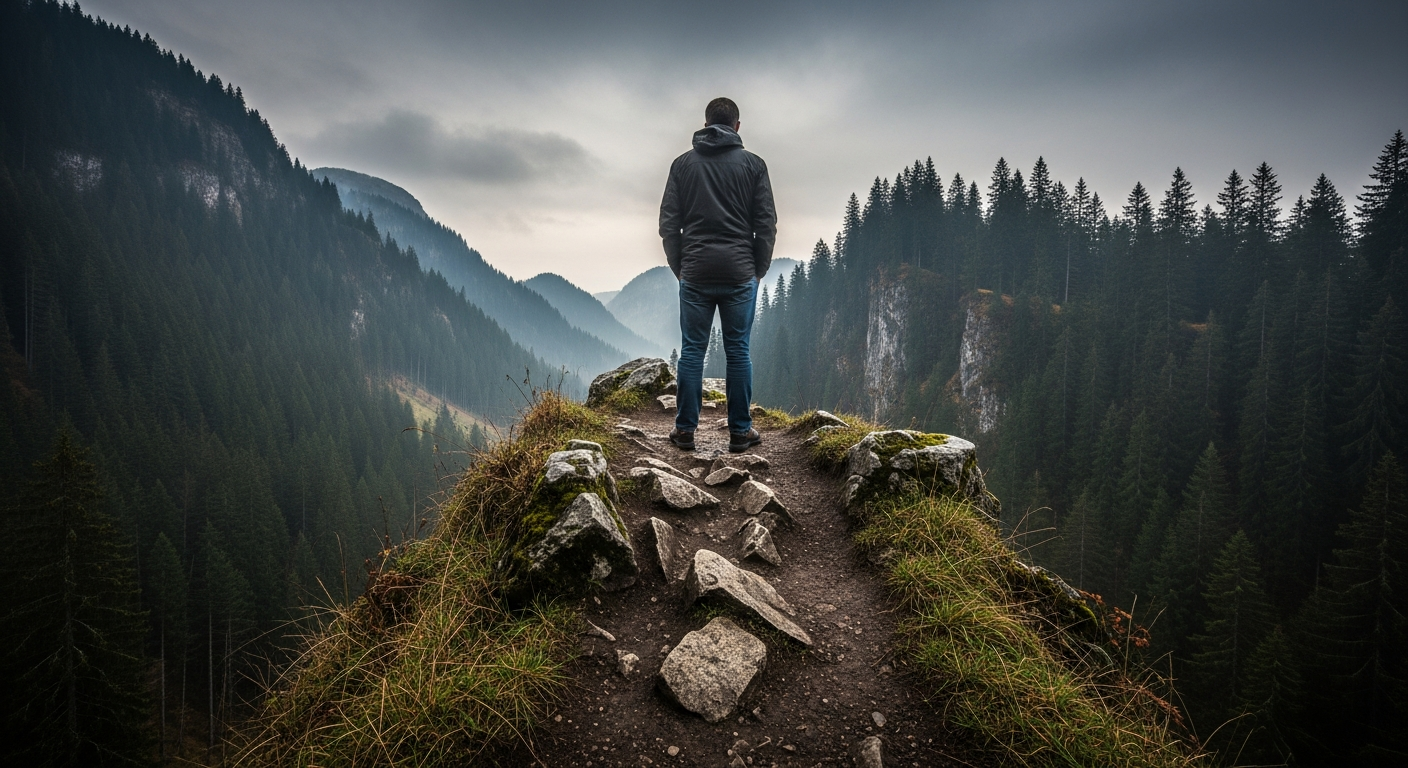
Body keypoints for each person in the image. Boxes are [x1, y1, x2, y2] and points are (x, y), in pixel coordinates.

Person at [659, 97, 776, 453]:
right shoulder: (754, 166)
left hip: (694, 272)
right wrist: (757, 270)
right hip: (739, 273)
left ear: (707, 123)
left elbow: (668, 225)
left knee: (693, 351)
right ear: (737, 126)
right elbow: (766, 225)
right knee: (738, 350)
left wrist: (681, 269)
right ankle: (741, 433)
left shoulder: (682, 165)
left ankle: (685, 432)